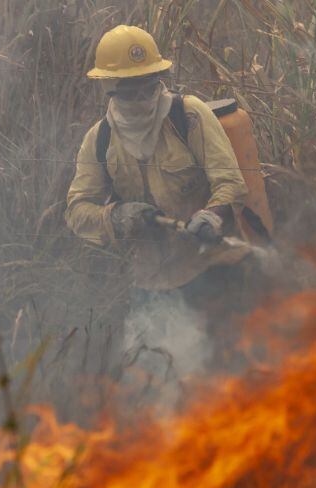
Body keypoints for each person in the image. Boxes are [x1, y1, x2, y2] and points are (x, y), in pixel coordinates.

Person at [66, 25, 272, 365]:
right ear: (108, 88)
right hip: (153, 287)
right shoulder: (99, 139)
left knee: (236, 373)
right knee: (162, 380)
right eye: (127, 90)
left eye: (146, 87)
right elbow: (76, 210)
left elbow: (231, 182)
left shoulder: (188, 116)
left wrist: (210, 214)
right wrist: (116, 217)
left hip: (215, 270)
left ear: (158, 78)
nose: (139, 98)